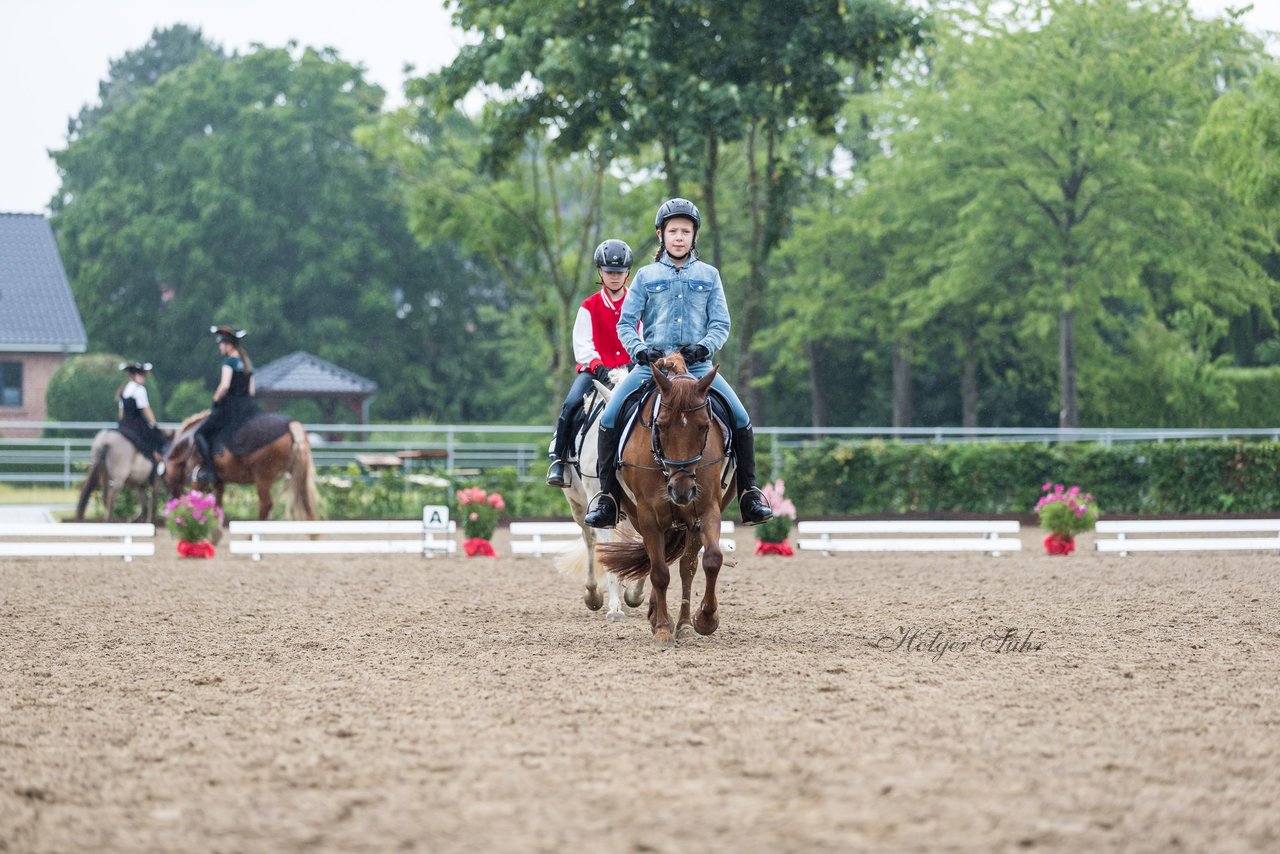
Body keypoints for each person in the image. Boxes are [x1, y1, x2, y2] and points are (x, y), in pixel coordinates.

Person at [583, 198, 773, 528]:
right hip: (652, 368)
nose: (680, 237)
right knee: (610, 417)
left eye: (686, 231)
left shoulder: (710, 275)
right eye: (673, 231)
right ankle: (608, 498)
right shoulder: (645, 276)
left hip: (697, 369)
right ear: (661, 235)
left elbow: (721, 324)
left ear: (694, 235)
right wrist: (639, 350)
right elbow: (626, 323)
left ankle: (749, 493)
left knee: (741, 418)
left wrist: (704, 348)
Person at [546, 238, 637, 487]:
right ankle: (559, 459)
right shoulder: (589, 307)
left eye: (619, 272)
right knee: (571, 403)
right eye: (609, 271)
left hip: (632, 371)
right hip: (597, 372)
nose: (615, 277)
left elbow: (645, 338)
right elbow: (583, 345)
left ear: (628, 272)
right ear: (600, 272)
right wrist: (598, 367)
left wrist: (635, 363)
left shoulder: (638, 304)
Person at [192, 325, 259, 484]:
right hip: (248, 408)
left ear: (228, 345)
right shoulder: (247, 363)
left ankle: (210, 471)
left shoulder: (229, 362)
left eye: (221, 344)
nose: (220, 347)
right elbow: (252, 391)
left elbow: (225, 386)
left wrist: (215, 400)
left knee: (199, 434)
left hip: (229, 408)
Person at [116, 361, 166, 472]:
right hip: (136, 424)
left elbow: (121, 412)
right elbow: (146, 409)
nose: (143, 377)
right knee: (158, 439)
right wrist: (154, 424)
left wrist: (122, 425)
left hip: (124, 424)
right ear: (134, 376)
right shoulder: (139, 390)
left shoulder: (124, 389)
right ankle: (157, 467)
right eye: (141, 374)